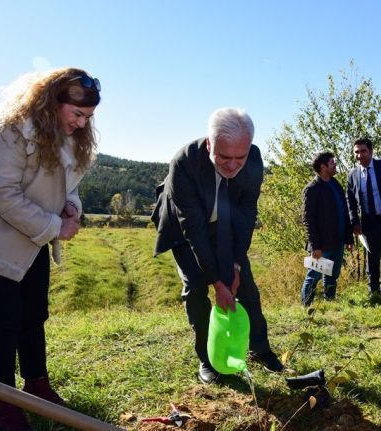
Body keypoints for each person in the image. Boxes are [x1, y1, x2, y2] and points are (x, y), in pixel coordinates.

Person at [0, 68, 101, 430]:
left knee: (34, 316)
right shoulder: (9, 132)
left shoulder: (67, 137)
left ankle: (37, 385)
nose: (81, 124)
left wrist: (71, 208)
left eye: (88, 117)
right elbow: (1, 194)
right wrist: (53, 227)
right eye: (76, 114)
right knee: (4, 322)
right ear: (51, 102)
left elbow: (69, 183)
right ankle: (6, 404)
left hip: (30, 242)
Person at [151, 107, 284, 384]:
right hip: (185, 229)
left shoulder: (254, 159)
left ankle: (259, 348)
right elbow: (194, 229)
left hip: (226, 225)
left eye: (240, 157)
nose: (234, 165)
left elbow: (247, 215)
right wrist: (217, 283)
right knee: (196, 288)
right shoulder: (184, 162)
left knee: (245, 284)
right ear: (210, 144)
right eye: (224, 157)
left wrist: (235, 264)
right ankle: (208, 359)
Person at [346, 138, 381, 300]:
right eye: (356, 152)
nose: (359, 155)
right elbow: (351, 200)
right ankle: (373, 289)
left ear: (371, 151)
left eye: (363, 151)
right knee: (372, 256)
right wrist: (354, 222)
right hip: (368, 222)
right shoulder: (353, 175)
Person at [301, 152, 353, 306]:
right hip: (321, 245)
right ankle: (306, 307)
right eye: (332, 163)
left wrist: (349, 238)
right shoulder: (312, 189)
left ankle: (329, 303)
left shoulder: (335, 184)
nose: (335, 165)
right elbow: (308, 219)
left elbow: (344, 211)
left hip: (338, 241)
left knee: (332, 275)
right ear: (323, 167)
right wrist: (315, 246)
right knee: (313, 276)